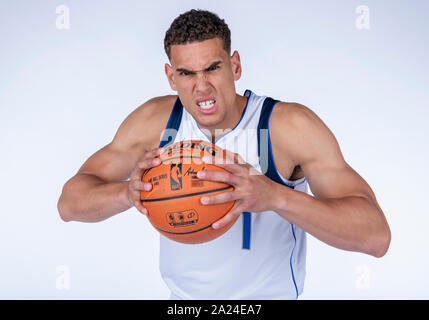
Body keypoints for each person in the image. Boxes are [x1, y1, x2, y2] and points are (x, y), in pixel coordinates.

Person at [57, 9, 391, 299]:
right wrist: (128, 193)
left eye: (213, 68)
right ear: (171, 77)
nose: (201, 86)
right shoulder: (156, 123)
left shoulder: (287, 127)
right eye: (187, 73)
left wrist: (277, 197)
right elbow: (69, 204)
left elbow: (375, 237)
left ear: (235, 65)